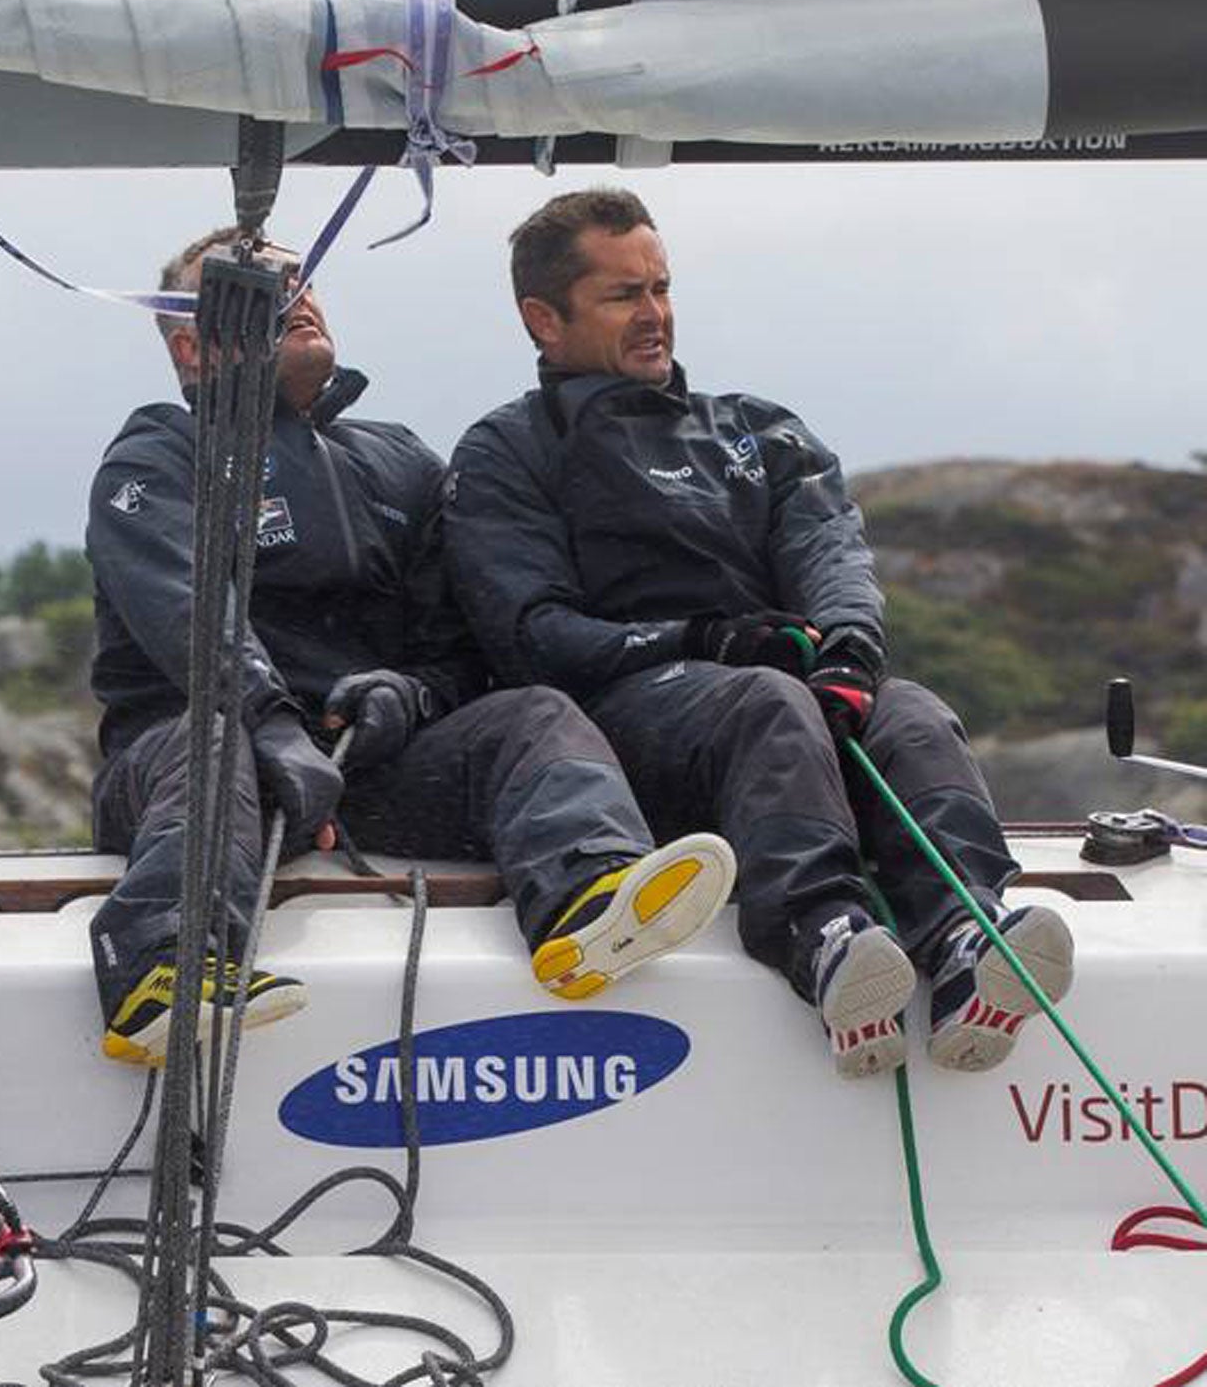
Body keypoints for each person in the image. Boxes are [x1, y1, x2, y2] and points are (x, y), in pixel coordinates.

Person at [446, 187, 1075, 1080]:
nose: (655, 314)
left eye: (661, 287)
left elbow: (828, 549)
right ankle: (822, 937)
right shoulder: (507, 451)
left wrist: (850, 650)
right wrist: (710, 639)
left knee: (912, 716)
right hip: (626, 721)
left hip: (771, 698)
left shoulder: (759, 429)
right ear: (543, 320)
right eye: (624, 296)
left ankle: (967, 941)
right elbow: (532, 635)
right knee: (767, 701)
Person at [83, 227, 735, 1068]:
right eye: (258, 288)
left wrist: (413, 694)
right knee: (213, 743)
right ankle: (160, 966)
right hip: (187, 758)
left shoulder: (399, 463)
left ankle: (590, 900)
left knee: (533, 714)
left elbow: (458, 646)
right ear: (190, 343)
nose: (296, 295)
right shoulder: (157, 456)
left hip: (366, 767)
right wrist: (271, 722)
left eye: (303, 277)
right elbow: (184, 610)